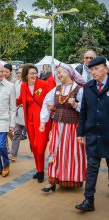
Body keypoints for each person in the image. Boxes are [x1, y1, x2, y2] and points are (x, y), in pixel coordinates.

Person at [39, 63, 86, 192]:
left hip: (72, 127)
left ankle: (71, 179)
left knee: (71, 153)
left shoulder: (79, 89)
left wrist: (76, 105)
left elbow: (86, 108)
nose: (59, 75)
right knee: (55, 151)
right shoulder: (56, 89)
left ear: (69, 74)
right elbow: (46, 103)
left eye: (61, 72)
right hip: (57, 126)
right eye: (58, 73)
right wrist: (43, 122)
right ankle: (52, 180)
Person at [76, 56, 109, 212]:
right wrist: (80, 132)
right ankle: (89, 200)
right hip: (92, 135)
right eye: (91, 70)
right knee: (91, 168)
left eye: (97, 69)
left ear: (106, 69)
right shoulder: (88, 87)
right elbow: (83, 112)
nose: (93, 72)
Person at [16, 63, 54, 183]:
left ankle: (41, 170)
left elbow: (54, 97)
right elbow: (20, 100)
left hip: (42, 120)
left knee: (40, 146)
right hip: (29, 120)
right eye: (31, 73)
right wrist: (7, 103)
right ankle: (39, 170)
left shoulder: (44, 84)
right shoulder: (23, 86)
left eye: (35, 73)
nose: (34, 75)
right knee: (34, 146)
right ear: (26, 75)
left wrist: (53, 107)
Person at [10, 65, 25, 161]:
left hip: (27, 112)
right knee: (17, 133)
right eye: (18, 72)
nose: (18, 74)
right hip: (17, 112)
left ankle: (34, 149)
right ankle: (13, 154)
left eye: (20, 73)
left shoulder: (28, 83)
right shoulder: (16, 83)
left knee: (32, 135)